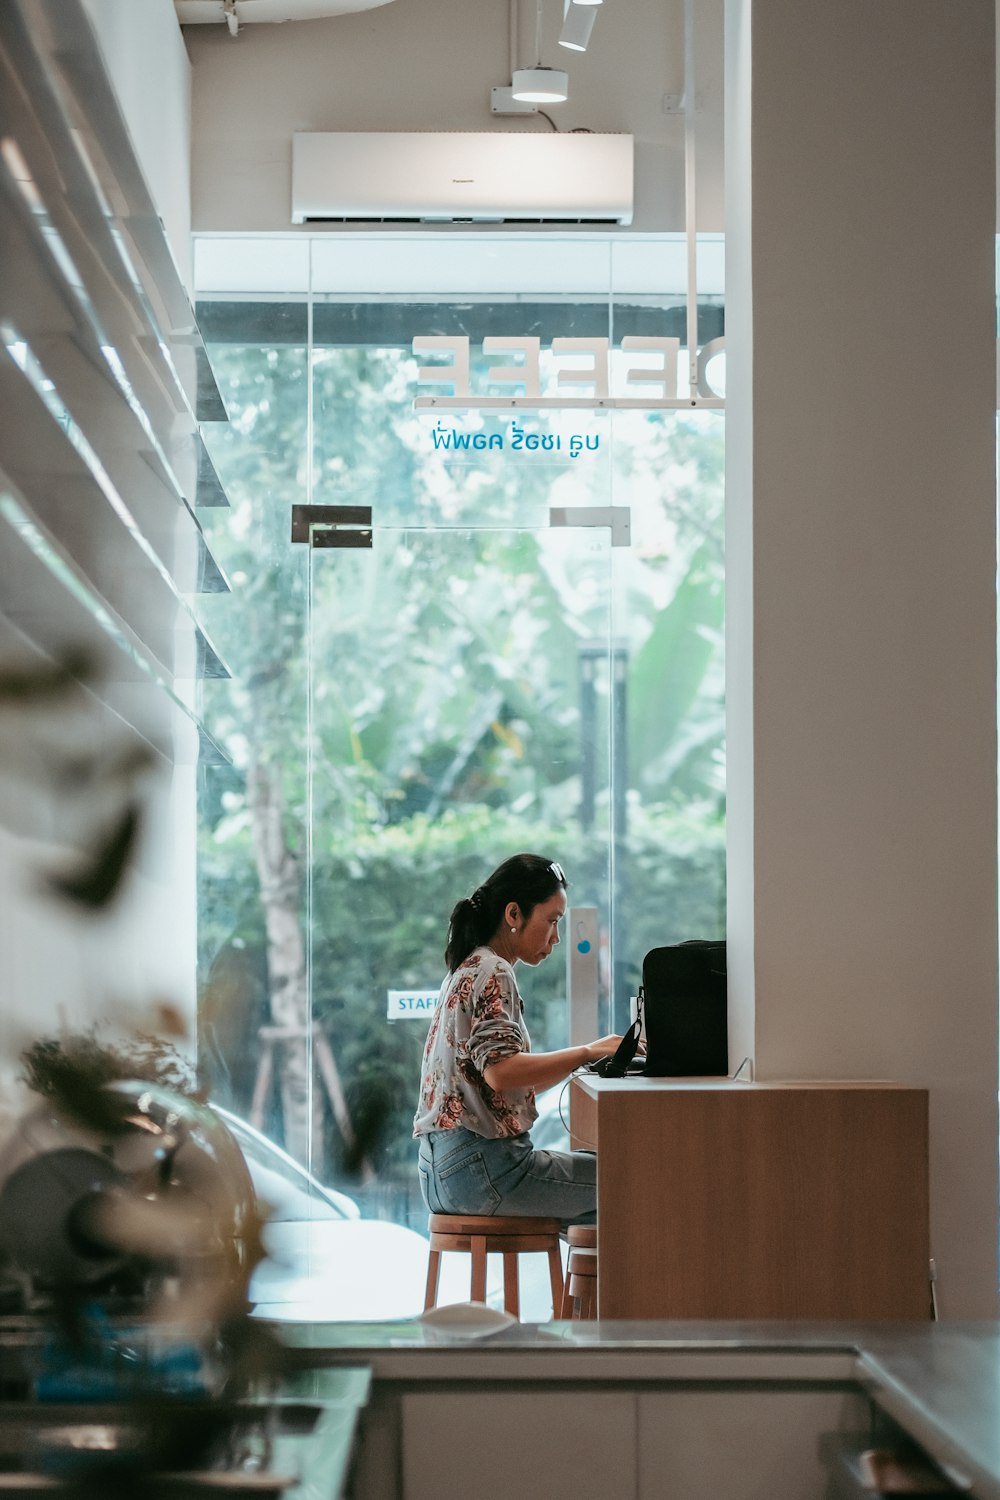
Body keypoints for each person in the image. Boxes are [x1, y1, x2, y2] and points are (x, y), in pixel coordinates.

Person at [413, 853, 627, 1226]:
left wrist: (581, 1059)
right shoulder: (494, 969)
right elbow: (501, 1071)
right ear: (514, 915)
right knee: (633, 1179)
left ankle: (591, 1286)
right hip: (485, 1171)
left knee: (597, 1200)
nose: (557, 938)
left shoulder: (467, 966)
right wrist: (589, 1050)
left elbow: (507, 1079)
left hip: (439, 1173)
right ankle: (616, 1286)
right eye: (552, 921)